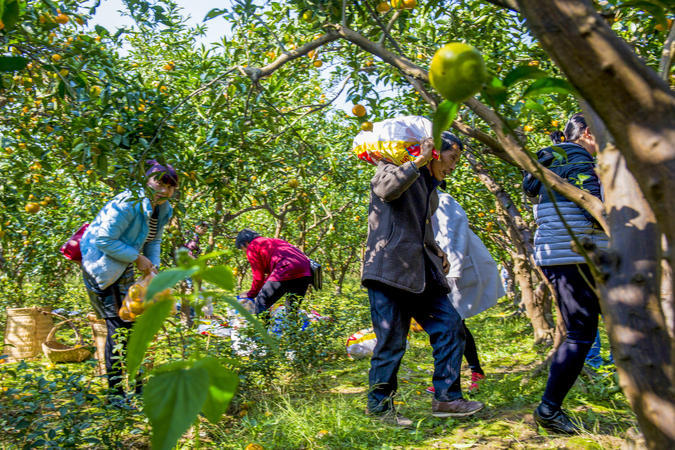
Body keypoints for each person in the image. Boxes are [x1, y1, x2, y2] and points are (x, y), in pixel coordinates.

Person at [362, 131, 484, 427]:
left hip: (420, 271)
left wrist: (436, 249)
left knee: (450, 326)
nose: (454, 166)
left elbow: (417, 227)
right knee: (391, 343)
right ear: (434, 152)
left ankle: (447, 397)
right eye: (452, 158)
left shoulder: (429, 185)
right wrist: (418, 160)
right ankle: (379, 409)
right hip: (389, 271)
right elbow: (386, 190)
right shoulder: (390, 166)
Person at [523, 113, 608, 434]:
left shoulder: (552, 160)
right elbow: (598, 209)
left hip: (563, 253)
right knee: (580, 335)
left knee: (583, 332)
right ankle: (549, 408)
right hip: (573, 253)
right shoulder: (578, 160)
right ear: (588, 133)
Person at [80, 160, 177, 401]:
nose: (164, 190)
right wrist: (137, 258)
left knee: (135, 326)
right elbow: (103, 239)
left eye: (170, 186)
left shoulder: (164, 209)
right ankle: (116, 394)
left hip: (126, 268)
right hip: (103, 268)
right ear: (147, 181)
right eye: (159, 183)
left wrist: (150, 267)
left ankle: (139, 386)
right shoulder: (126, 203)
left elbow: (154, 241)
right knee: (118, 328)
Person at [426, 190, 505, 394]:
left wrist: (452, 271)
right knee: (454, 323)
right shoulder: (425, 201)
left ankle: (459, 376)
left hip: (453, 270)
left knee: (453, 323)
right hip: (443, 270)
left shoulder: (443, 201)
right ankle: (470, 371)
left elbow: (454, 235)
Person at [235, 229, 312, 314]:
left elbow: (258, 277)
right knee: (292, 309)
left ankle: (263, 327)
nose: (244, 251)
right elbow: (271, 278)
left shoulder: (252, 246)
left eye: (242, 248)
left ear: (245, 243)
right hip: (305, 270)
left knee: (261, 303)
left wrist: (250, 294)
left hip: (286, 268)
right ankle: (291, 326)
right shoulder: (273, 241)